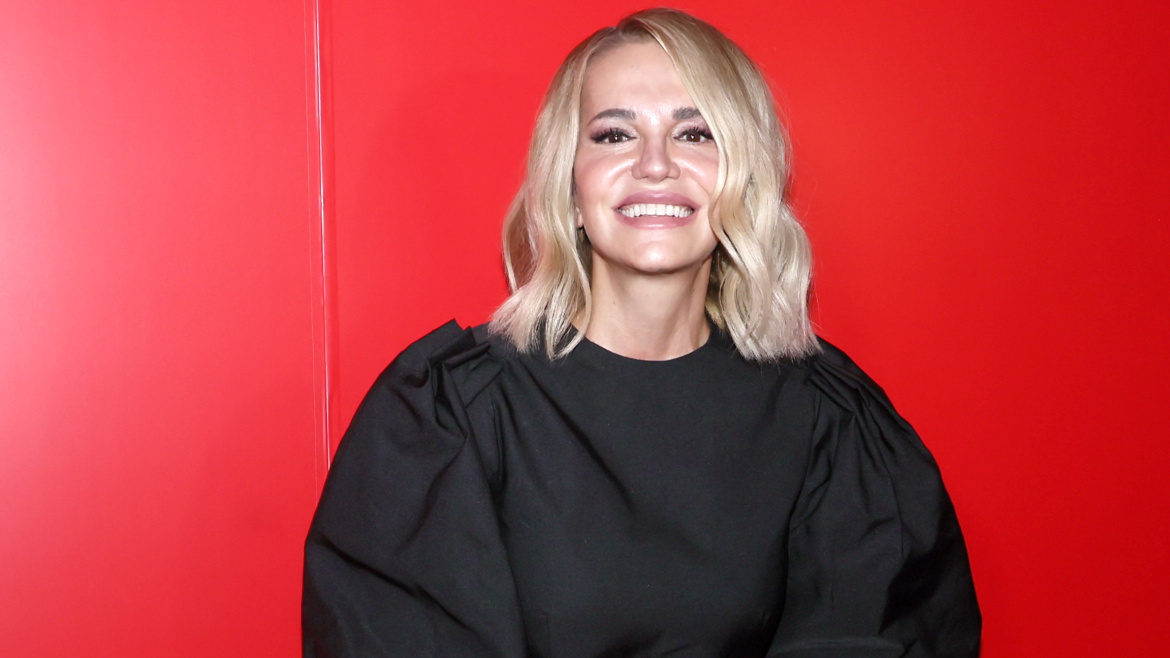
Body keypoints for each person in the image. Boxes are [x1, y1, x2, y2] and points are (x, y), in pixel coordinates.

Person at [303, 8, 980, 657]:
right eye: (614, 135)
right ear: (569, 187)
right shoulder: (448, 421)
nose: (655, 164)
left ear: (745, 180)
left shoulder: (831, 423)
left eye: (695, 134)